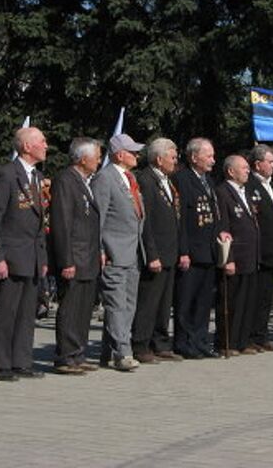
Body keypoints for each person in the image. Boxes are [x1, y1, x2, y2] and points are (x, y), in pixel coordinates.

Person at [0, 127, 49, 381]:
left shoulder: (36, 175)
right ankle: (1, 364)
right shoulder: (6, 175)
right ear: (26, 146)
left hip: (32, 256)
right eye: (42, 142)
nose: (46, 146)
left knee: (26, 313)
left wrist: (43, 258)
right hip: (11, 256)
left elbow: (39, 222)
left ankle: (21, 361)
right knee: (6, 313)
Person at [172, 138, 230, 359]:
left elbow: (215, 214)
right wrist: (183, 251)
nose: (213, 161)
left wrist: (221, 231)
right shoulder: (182, 179)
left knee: (204, 303)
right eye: (209, 156)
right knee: (186, 301)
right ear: (194, 157)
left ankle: (200, 341)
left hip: (209, 251)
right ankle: (184, 343)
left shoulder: (209, 180)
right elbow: (182, 219)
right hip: (192, 252)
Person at [93, 133, 147, 372]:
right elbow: (98, 218)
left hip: (133, 252)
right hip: (114, 251)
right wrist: (100, 248)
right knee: (116, 305)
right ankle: (123, 352)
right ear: (119, 154)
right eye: (132, 151)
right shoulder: (105, 178)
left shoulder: (130, 178)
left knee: (128, 304)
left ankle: (109, 351)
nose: (137, 155)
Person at [50, 137, 102, 374]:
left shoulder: (85, 181)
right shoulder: (66, 180)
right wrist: (66, 260)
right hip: (74, 257)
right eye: (97, 156)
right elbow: (62, 222)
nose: (100, 160)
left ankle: (78, 353)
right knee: (70, 308)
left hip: (88, 257)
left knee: (83, 308)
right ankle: (66, 356)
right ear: (83, 159)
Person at [133, 138, 185, 363]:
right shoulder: (146, 179)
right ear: (158, 158)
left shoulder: (167, 180)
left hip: (170, 252)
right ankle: (141, 345)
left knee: (164, 303)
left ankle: (161, 342)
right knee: (149, 302)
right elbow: (147, 222)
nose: (175, 161)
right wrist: (151, 254)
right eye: (172, 157)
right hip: (156, 254)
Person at [215, 155, 260, 356]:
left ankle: (242, 341)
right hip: (236, 255)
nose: (247, 171)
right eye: (243, 168)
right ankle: (228, 342)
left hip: (250, 256)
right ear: (231, 171)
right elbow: (224, 226)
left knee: (247, 302)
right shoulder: (222, 192)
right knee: (232, 302)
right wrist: (229, 258)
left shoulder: (246, 192)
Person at [245, 144, 273, 352]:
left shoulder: (270, 185)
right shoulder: (250, 184)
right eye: (269, 162)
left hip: (271, 251)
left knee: (266, 298)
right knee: (256, 296)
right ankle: (251, 336)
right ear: (257, 164)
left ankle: (262, 335)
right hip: (258, 251)